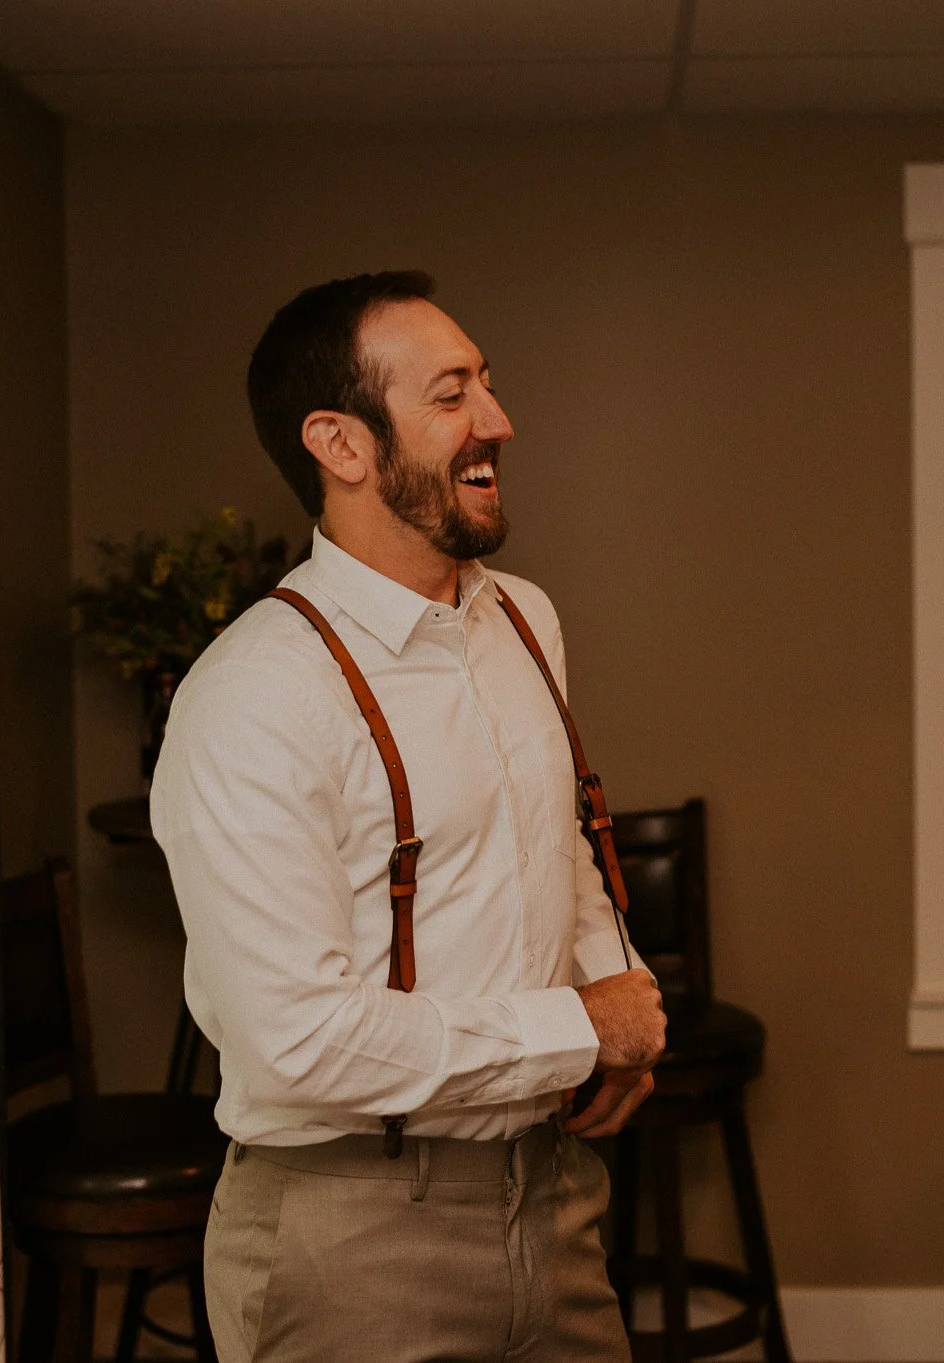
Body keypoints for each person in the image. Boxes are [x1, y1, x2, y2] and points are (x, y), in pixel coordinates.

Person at [152, 270, 664, 1362]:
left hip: (554, 1195)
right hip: (354, 1234)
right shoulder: (252, 695)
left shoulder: (523, 618)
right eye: (450, 394)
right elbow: (296, 1042)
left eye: (486, 382)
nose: (497, 420)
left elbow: (554, 836)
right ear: (340, 445)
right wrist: (583, 1027)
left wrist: (606, 976)